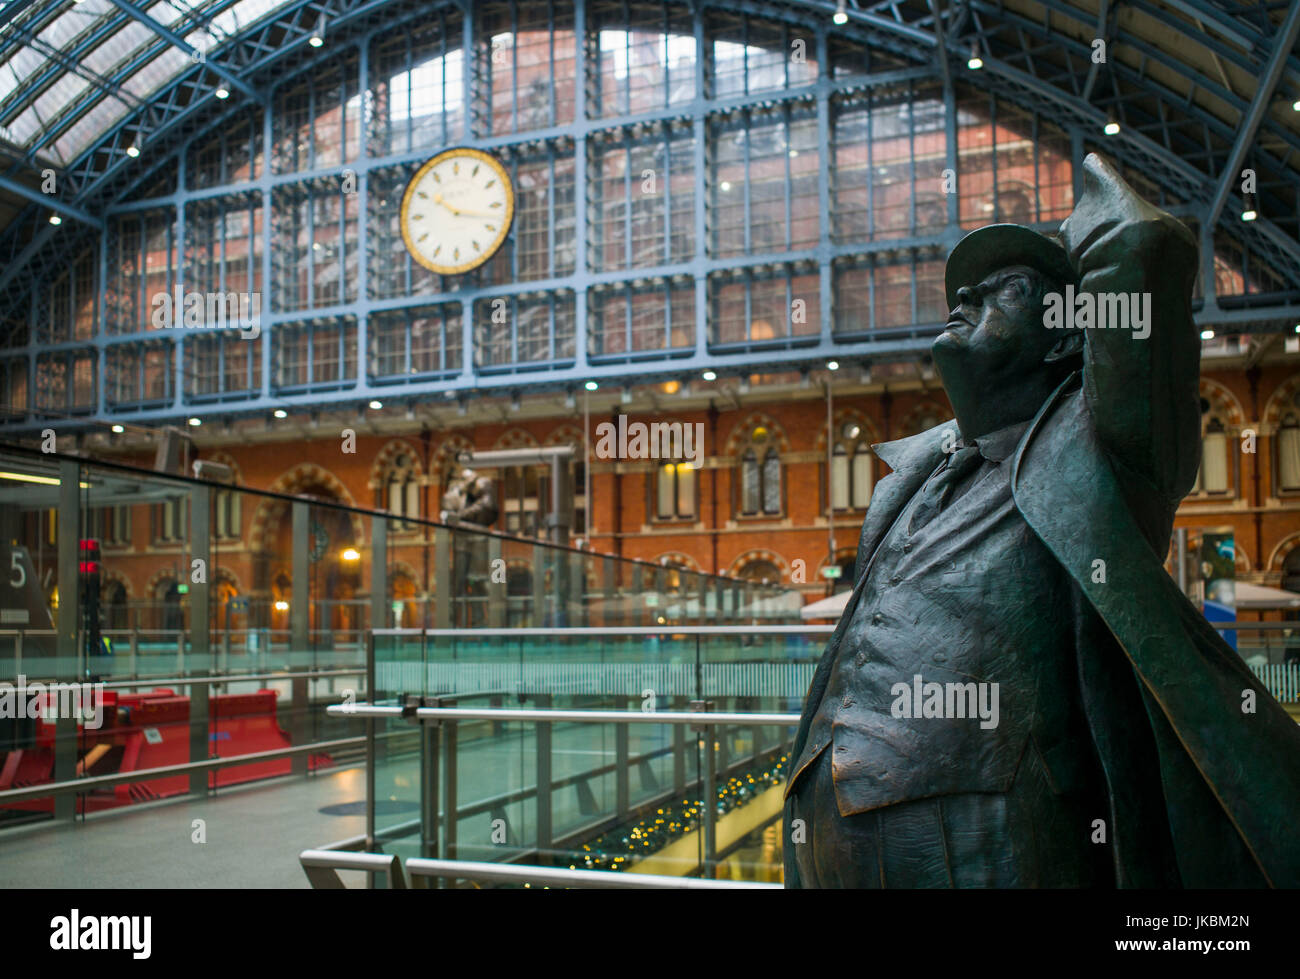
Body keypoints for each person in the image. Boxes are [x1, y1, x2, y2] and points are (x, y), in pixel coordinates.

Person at [783, 153, 1300, 888]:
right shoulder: (914, 475)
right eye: (967, 286)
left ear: (1067, 333)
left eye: (1007, 288)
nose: (964, 294)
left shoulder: (1101, 448)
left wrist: (1084, 171)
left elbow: (1140, 249)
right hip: (832, 837)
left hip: (993, 844)